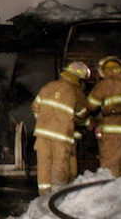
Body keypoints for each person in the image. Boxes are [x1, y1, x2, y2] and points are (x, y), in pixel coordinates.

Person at [31, 61, 91, 195]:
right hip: (61, 135)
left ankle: (43, 196)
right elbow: (82, 114)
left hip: (42, 133)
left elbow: (35, 106)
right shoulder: (76, 92)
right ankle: (57, 196)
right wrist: (88, 123)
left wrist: (42, 121)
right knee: (60, 165)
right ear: (79, 79)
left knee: (44, 164)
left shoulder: (49, 86)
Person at [86, 56, 121, 178]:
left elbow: (91, 104)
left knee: (110, 166)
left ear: (105, 70)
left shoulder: (106, 83)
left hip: (113, 130)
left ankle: (110, 189)